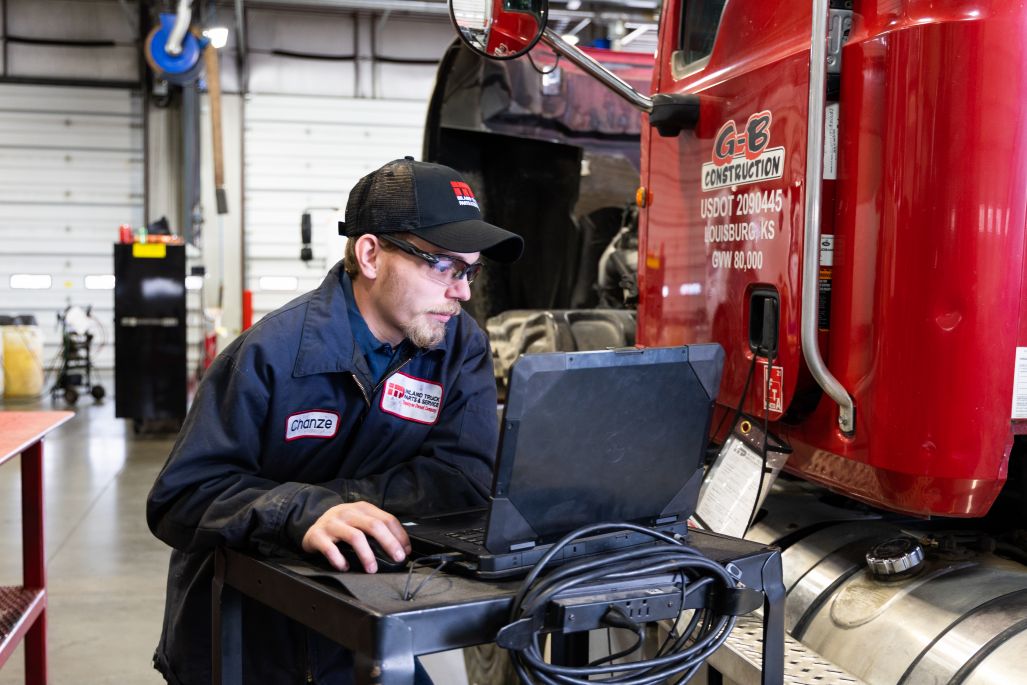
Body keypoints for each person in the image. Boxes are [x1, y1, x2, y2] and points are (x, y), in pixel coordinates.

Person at [146, 157, 523, 685]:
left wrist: (343, 508)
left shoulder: (459, 347)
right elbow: (180, 497)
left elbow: (462, 479)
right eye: (444, 266)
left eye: (471, 270)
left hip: (369, 618)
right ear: (370, 254)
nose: (462, 291)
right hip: (244, 636)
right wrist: (300, 510)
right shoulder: (271, 354)